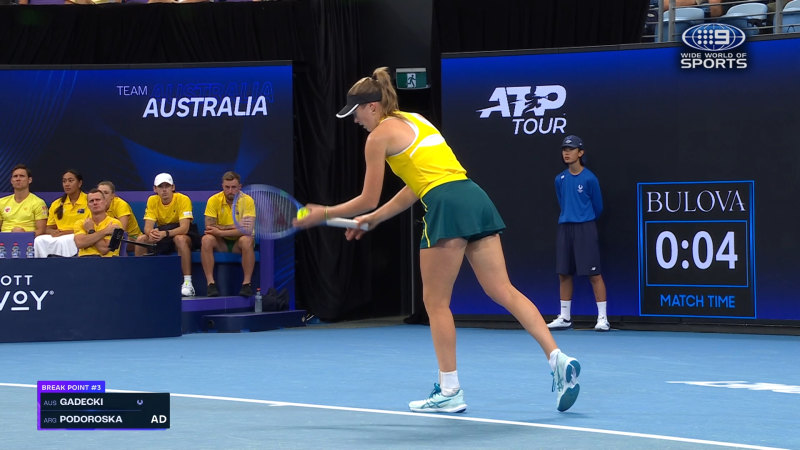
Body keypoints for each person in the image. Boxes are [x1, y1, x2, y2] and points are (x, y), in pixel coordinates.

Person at [294, 67, 581, 413]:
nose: (355, 120)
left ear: (371, 106)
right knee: (503, 290)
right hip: (474, 196)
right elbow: (414, 186)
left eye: (355, 112)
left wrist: (322, 213)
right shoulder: (415, 120)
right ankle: (557, 358)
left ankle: (450, 390)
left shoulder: (377, 137)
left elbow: (368, 197)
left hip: (445, 205)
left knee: (436, 303)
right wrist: (375, 218)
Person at [547, 135, 610, 332]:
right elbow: (562, 202)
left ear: (580, 153)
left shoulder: (590, 178)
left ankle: (602, 319)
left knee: (594, 274)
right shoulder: (560, 179)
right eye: (564, 149)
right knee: (563, 273)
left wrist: (584, 218)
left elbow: (598, 206)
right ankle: (565, 317)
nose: (566, 152)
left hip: (585, 227)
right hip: (565, 227)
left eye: (571, 149)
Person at [136, 173, 201, 296]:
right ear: (155, 189)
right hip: (163, 233)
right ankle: (142, 281)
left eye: (167, 186)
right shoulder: (152, 200)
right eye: (161, 186)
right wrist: (152, 233)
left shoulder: (183, 199)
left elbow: (184, 228)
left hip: (182, 233)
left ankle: (188, 283)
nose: (164, 190)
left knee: (180, 239)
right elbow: (147, 228)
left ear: (173, 187)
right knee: (141, 239)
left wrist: (164, 233)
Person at [200, 171, 256, 297]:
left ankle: (246, 284)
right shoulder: (213, 200)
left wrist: (220, 230)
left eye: (234, 187)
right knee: (206, 239)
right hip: (221, 243)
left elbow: (247, 230)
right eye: (227, 187)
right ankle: (210, 284)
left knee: (247, 240)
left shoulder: (248, 201)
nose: (230, 191)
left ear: (240, 187)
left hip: (239, 244)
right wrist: (236, 226)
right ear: (222, 186)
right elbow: (209, 227)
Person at [34, 169, 89, 257]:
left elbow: (91, 226)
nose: (67, 184)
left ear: (79, 183)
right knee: (39, 240)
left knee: (65, 240)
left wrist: (66, 232)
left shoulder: (89, 201)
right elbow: (48, 228)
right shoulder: (56, 204)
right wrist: (54, 232)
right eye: (64, 181)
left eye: (70, 181)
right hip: (60, 235)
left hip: (79, 235)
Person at [0, 164, 48, 236]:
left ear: (29, 180)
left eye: (22, 176)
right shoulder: (1, 202)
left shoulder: (38, 202)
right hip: (4, 242)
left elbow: (41, 230)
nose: (18, 179)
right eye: (15, 176)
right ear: (11, 180)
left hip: (28, 243)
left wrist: (23, 236)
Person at [73, 188, 122, 257]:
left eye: (98, 200)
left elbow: (104, 249)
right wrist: (105, 231)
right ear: (88, 205)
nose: (95, 203)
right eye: (91, 201)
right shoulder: (81, 223)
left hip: (107, 262)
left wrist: (90, 231)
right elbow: (80, 243)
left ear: (105, 202)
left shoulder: (114, 223)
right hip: (84, 261)